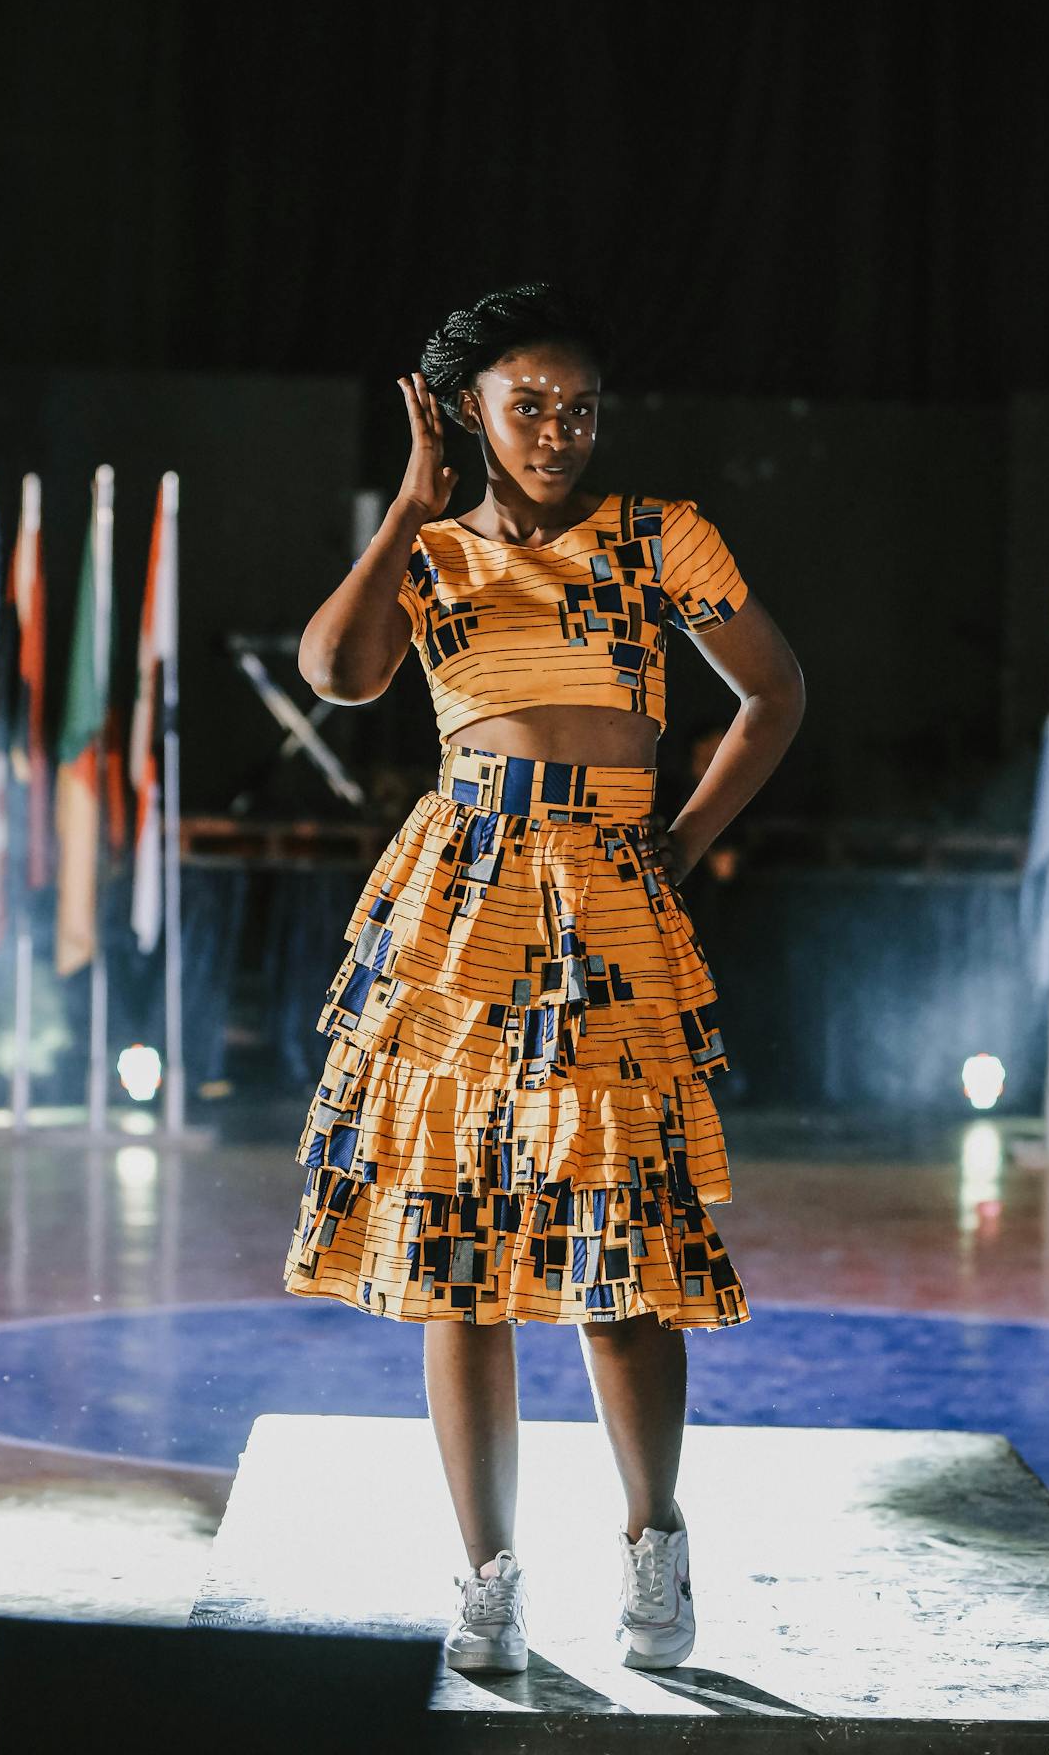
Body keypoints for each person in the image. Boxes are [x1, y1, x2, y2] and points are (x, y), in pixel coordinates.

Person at [284, 281, 805, 1676]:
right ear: (468, 412)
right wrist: (409, 507)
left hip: (610, 896)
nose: (561, 431)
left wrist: (679, 843)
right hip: (461, 901)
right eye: (530, 407)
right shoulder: (432, 550)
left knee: (620, 1249)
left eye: (581, 408)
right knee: (457, 1258)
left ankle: (654, 1545)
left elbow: (774, 693)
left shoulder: (659, 537)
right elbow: (336, 674)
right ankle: (488, 1578)